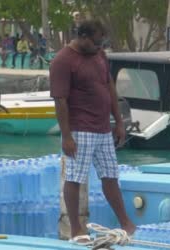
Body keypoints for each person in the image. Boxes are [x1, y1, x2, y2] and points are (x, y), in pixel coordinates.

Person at [49, 20, 136, 238]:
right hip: (80, 129)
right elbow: (60, 100)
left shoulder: (99, 55)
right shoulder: (62, 60)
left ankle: (126, 223)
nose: (100, 46)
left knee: (110, 176)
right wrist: (67, 136)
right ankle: (76, 229)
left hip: (103, 128)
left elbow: (109, 88)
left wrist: (118, 121)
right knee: (75, 178)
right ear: (84, 37)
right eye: (97, 42)